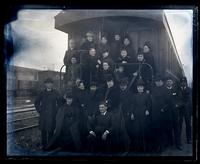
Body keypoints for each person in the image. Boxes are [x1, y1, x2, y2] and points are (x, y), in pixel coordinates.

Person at [34, 78, 60, 150]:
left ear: (52, 84)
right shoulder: (42, 93)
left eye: (50, 83)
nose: (49, 85)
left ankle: (50, 145)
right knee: (43, 131)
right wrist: (40, 110)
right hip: (44, 116)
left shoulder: (56, 92)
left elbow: (60, 102)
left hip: (52, 115)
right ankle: (44, 145)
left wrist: (56, 111)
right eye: (47, 83)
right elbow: (36, 102)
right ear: (45, 84)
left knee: (51, 130)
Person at [131, 78, 152, 152]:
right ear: (137, 88)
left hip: (144, 115)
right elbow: (133, 105)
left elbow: (149, 104)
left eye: (141, 87)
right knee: (137, 132)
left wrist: (147, 110)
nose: (140, 88)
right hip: (137, 115)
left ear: (143, 87)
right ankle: (138, 148)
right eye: (138, 87)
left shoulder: (147, 95)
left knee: (144, 131)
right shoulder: (134, 96)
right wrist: (132, 113)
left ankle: (146, 148)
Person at [163, 76, 183, 150]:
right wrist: (164, 108)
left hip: (175, 112)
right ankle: (169, 142)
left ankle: (178, 144)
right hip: (167, 113)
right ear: (166, 83)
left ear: (172, 82)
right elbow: (162, 102)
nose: (169, 82)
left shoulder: (176, 90)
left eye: (170, 81)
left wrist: (177, 105)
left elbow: (181, 100)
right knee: (168, 128)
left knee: (176, 129)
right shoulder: (164, 91)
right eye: (167, 81)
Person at [150, 75, 167, 152]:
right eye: (156, 82)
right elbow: (151, 100)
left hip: (163, 113)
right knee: (156, 130)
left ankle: (162, 146)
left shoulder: (165, 89)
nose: (157, 83)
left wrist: (164, 108)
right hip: (155, 112)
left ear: (161, 82)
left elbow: (169, 102)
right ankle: (157, 146)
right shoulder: (153, 89)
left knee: (162, 130)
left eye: (158, 81)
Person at [177, 77, 192, 144]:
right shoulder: (177, 90)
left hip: (187, 111)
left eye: (184, 82)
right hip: (179, 111)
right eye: (182, 82)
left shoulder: (190, 90)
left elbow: (189, 101)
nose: (183, 83)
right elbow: (176, 100)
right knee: (179, 126)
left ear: (186, 83)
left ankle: (189, 139)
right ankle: (178, 140)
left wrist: (179, 104)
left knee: (188, 125)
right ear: (180, 83)